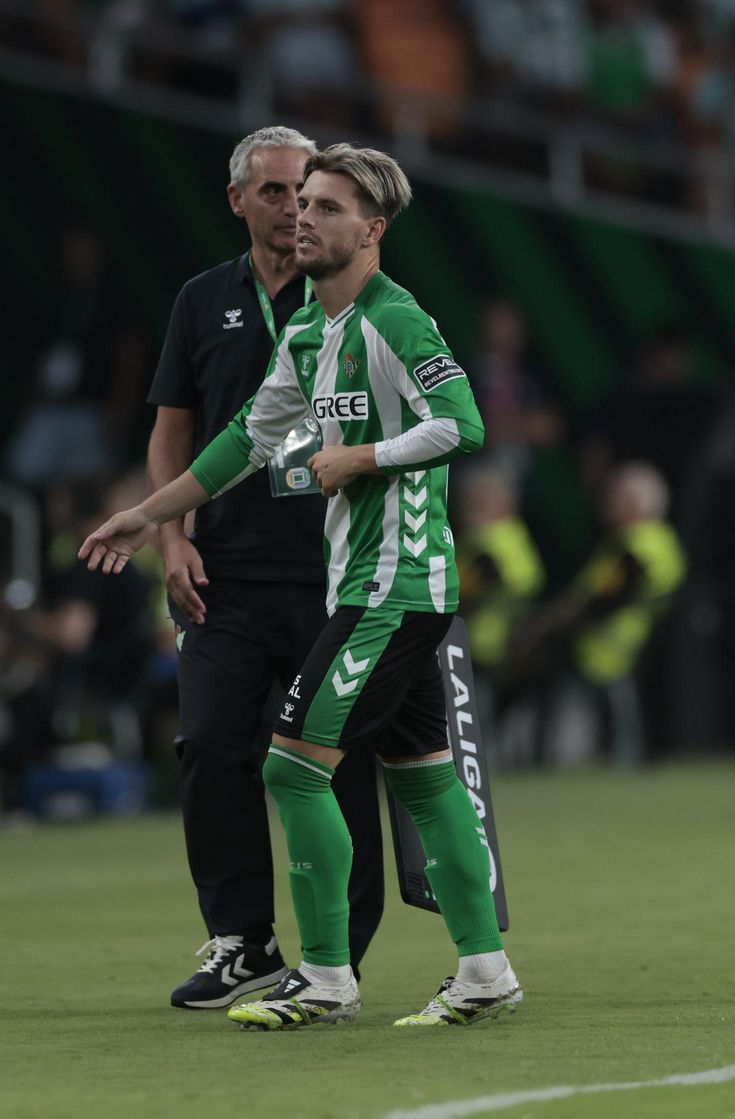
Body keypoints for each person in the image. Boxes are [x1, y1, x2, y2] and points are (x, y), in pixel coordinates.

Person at [81, 144, 521, 1029]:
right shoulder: (311, 332)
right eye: (301, 203)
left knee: (290, 766)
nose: (305, 218)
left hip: (395, 586)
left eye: (326, 206)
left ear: (372, 230)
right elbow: (245, 437)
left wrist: (365, 455)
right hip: (361, 583)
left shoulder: (398, 321)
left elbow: (464, 423)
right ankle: (484, 971)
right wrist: (150, 513)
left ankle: (324, 977)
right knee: (427, 781)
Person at [146, 126, 386, 1010]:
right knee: (211, 746)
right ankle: (242, 940)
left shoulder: (358, 300)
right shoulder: (203, 301)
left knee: (338, 761)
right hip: (228, 573)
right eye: (279, 192)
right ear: (239, 200)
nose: (295, 208)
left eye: (310, 192)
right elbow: (173, 427)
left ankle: (339, 956)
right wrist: (171, 536)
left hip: (336, 570)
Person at [516, 462, 686, 766]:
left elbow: (606, 596)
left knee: (608, 708)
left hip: (611, 644)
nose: (606, 505)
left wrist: (561, 618)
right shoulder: (638, 540)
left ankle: (615, 760)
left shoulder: (639, 544)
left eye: (616, 498)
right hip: (609, 643)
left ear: (637, 503)